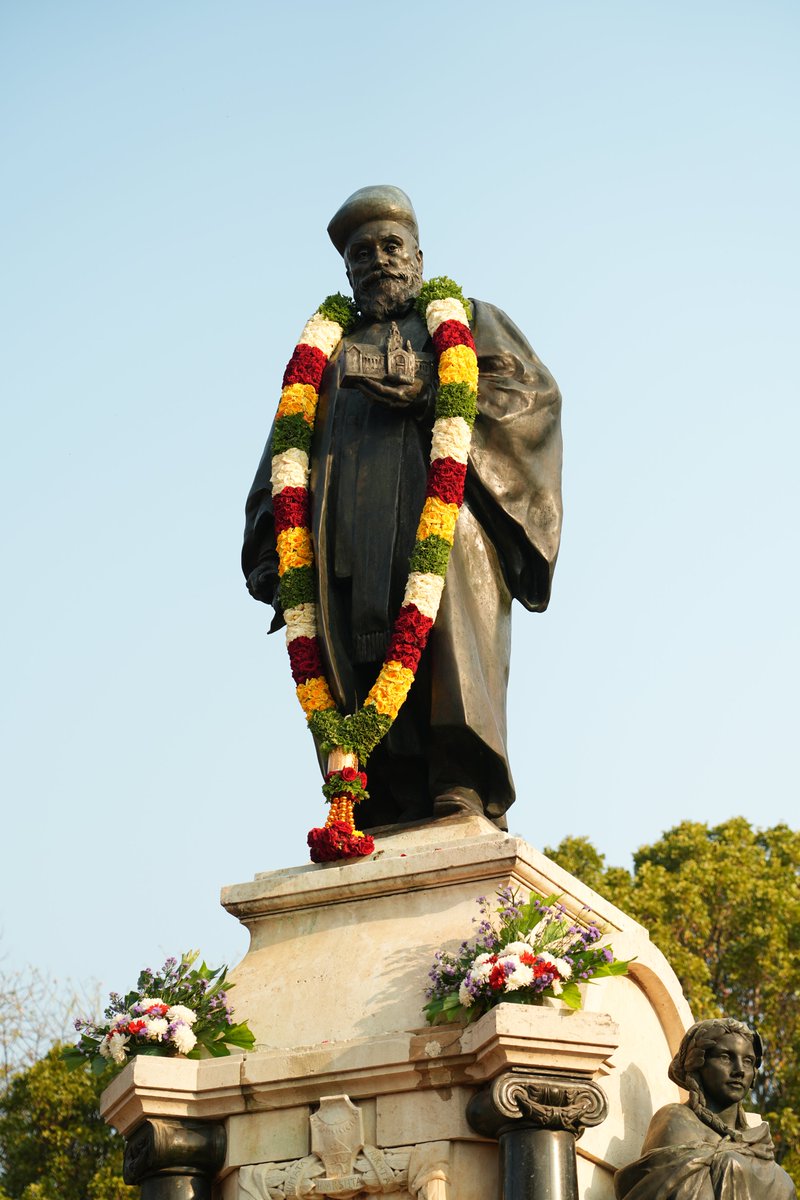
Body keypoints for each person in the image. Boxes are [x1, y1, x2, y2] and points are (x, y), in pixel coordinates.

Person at [243, 185, 562, 830]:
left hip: (436, 523)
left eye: (392, 246)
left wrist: (429, 395)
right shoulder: (323, 355)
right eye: (361, 254)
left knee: (440, 639)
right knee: (356, 653)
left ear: (419, 255)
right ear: (347, 272)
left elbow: (530, 400)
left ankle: (458, 781)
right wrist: (271, 543)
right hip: (344, 538)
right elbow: (285, 453)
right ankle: (375, 788)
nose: (379, 262)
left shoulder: (467, 321)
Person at [614, 1018, 796, 1199]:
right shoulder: (676, 1118)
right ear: (697, 1064)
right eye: (725, 1057)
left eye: (748, 1061)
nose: (740, 1070)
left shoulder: (760, 1145)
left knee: (783, 1181)